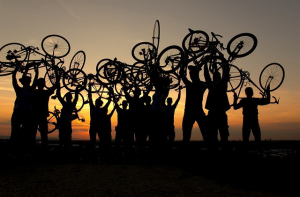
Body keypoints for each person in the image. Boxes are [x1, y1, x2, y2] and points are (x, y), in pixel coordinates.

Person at [11, 63, 38, 154]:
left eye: (27, 82)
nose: (26, 83)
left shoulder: (31, 89)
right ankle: (13, 151)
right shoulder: (19, 90)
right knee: (14, 132)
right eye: (25, 82)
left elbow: (35, 80)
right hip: (18, 112)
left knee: (26, 132)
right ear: (23, 83)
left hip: (27, 113)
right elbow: (14, 80)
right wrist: (16, 70)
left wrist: (36, 70)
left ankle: (24, 151)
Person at [233, 86, 270, 152]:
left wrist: (235, 99)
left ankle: (250, 153)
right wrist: (268, 92)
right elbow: (267, 101)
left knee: (248, 141)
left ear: (245, 93)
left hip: (249, 122)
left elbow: (235, 107)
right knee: (255, 140)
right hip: (252, 122)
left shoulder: (245, 101)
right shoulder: (253, 100)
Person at [204, 63, 231, 151]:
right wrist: (224, 65)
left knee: (214, 136)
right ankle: (223, 152)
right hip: (220, 114)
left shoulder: (212, 85)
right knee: (223, 136)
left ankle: (215, 152)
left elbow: (206, 75)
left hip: (214, 114)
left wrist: (205, 64)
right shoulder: (222, 85)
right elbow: (225, 74)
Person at [32, 66, 60, 150]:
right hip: (42, 115)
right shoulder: (45, 93)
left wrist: (36, 72)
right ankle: (44, 150)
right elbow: (55, 84)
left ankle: (33, 149)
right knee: (43, 135)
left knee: (33, 133)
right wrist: (56, 72)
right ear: (43, 85)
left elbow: (33, 84)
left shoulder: (34, 92)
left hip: (34, 115)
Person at [179, 65, 207, 144]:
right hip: (198, 111)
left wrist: (184, 62)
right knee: (206, 135)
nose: (190, 75)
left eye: (191, 73)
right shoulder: (202, 85)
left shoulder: (190, 84)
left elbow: (181, 73)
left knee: (186, 137)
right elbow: (207, 78)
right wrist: (205, 65)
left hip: (189, 112)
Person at [87, 83, 112, 148]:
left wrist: (89, 88)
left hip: (95, 127)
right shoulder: (102, 109)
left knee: (96, 141)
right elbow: (109, 101)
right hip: (98, 127)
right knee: (99, 141)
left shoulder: (93, 108)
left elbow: (90, 98)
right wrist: (111, 93)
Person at [56, 84, 79, 152]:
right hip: (65, 123)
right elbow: (76, 98)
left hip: (64, 123)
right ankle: (65, 154)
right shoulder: (70, 104)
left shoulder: (67, 104)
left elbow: (59, 96)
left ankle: (64, 154)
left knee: (64, 140)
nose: (67, 98)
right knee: (66, 140)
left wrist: (58, 87)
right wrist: (76, 89)